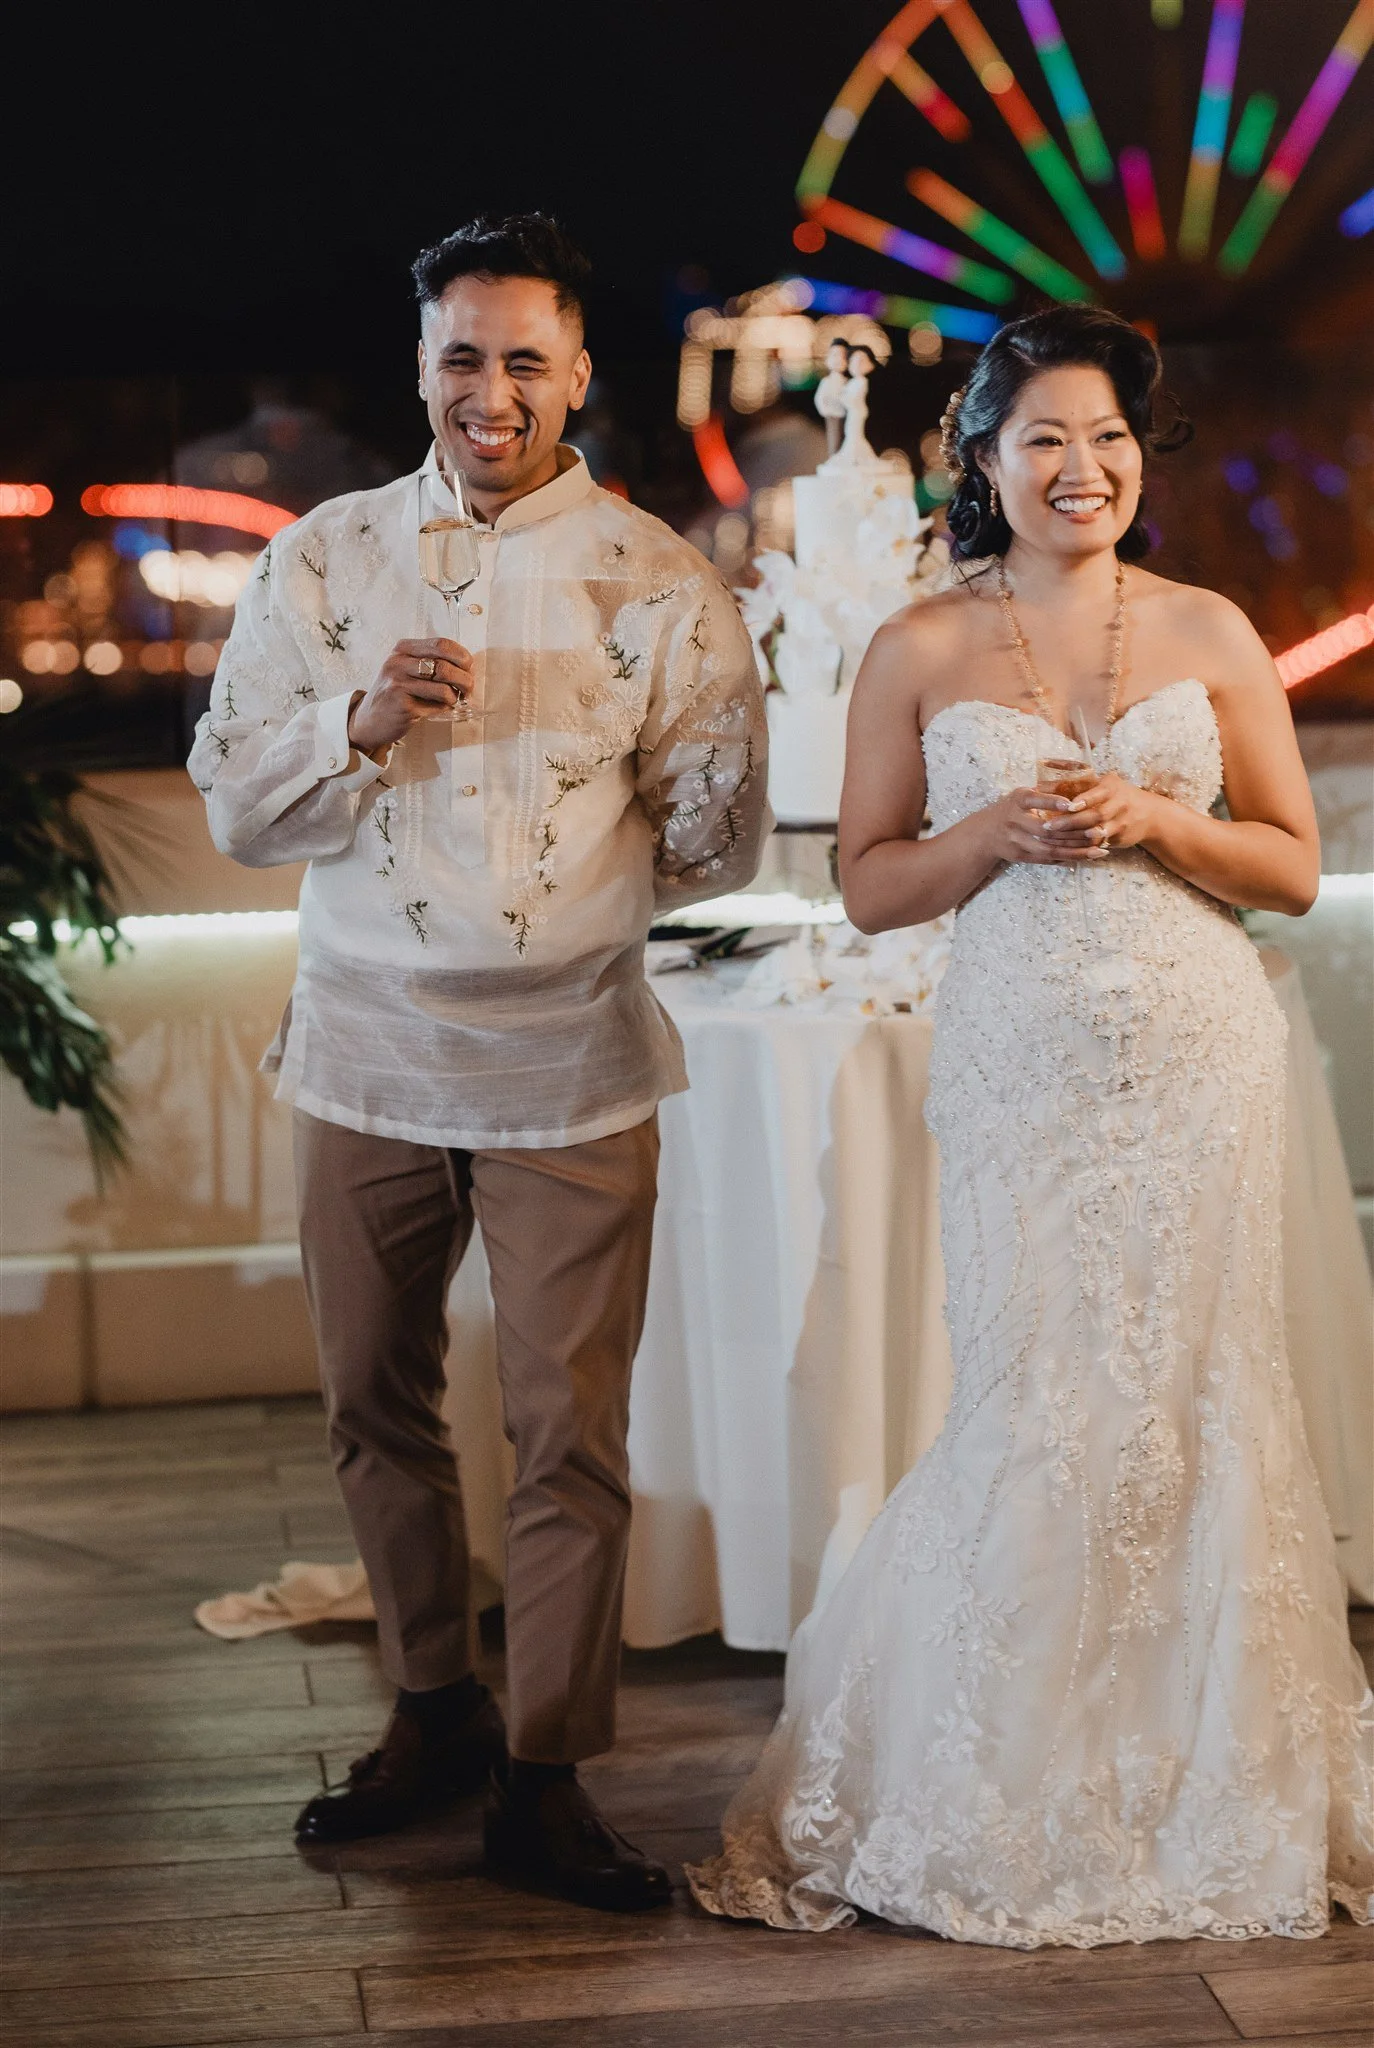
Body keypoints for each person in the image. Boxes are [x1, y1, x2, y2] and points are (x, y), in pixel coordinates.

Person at [688, 306, 1373, 1945]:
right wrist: (990, 826)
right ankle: (998, 1763)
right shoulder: (917, 647)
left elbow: (1285, 861)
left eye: (1111, 440)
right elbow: (862, 885)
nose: (1084, 468)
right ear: (983, 461)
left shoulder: (1209, 627)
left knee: (1204, 1388)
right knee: (1037, 1388)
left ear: (1141, 462)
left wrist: (1153, 818)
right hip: (1014, 1060)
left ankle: (1212, 1769)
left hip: (1200, 1052)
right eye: (1046, 439)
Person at [189, 213, 768, 1912]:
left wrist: (598, 842)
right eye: (461, 354)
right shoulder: (319, 559)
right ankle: (431, 1707)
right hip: (362, 1046)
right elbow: (232, 797)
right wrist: (354, 728)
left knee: (565, 1428)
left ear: (579, 373)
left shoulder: (661, 578)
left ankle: (544, 1769)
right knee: (374, 1394)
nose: (491, 388)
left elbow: (708, 840)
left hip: (570, 1063)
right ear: (420, 365)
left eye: (526, 357)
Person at [814, 338, 850, 459]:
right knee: (834, 438)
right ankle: (834, 458)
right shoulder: (826, 381)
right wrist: (825, 411)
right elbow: (819, 398)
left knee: (846, 438)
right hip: (833, 415)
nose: (838, 359)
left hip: (845, 414)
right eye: (835, 355)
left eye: (843, 356)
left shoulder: (847, 382)